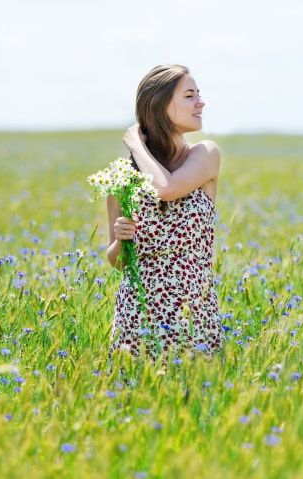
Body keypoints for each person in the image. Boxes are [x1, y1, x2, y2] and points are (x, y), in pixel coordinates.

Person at [105, 64, 225, 361]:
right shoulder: (122, 178)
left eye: (199, 94)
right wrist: (121, 241)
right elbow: (118, 262)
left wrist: (135, 144)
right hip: (138, 317)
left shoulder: (205, 155)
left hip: (195, 317)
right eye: (189, 95)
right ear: (160, 107)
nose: (200, 102)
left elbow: (166, 189)